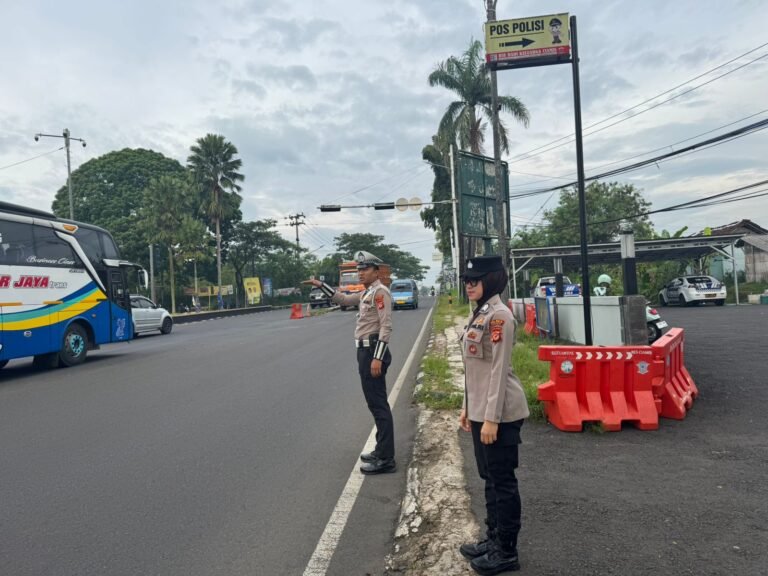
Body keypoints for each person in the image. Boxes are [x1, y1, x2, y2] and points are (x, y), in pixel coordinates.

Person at [458, 255, 529, 575]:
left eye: (476, 279)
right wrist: (467, 407)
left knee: (502, 481)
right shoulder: (479, 314)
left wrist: (490, 418)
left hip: (501, 411)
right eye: (467, 280)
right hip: (480, 409)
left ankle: (506, 551)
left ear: (494, 280)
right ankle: (493, 537)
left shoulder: (499, 316)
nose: (469, 284)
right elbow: (475, 369)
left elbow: (498, 372)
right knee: (488, 477)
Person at [304, 250, 396, 475]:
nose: (360, 273)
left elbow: (386, 326)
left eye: (365, 269)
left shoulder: (380, 293)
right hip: (365, 352)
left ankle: (386, 459)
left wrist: (377, 357)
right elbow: (343, 299)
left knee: (379, 405)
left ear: (376, 271)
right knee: (375, 404)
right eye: (359, 270)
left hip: (373, 351)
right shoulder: (367, 294)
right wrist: (320, 285)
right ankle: (381, 449)